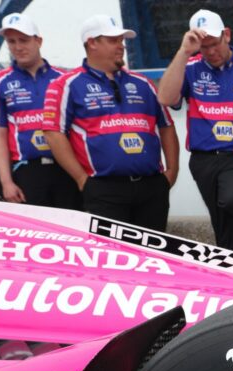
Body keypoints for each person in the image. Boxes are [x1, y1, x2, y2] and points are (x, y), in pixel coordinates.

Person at [43, 15, 178, 231]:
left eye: (121, 40)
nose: (121, 46)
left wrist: (171, 172)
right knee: (114, 259)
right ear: (92, 43)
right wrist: (81, 179)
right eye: (113, 40)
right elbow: (52, 132)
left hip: (152, 186)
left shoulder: (143, 83)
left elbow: (166, 126)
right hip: (103, 189)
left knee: (153, 259)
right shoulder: (66, 84)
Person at [157, 9, 233, 252]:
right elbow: (165, 97)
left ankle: (232, 261)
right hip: (203, 159)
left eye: (214, 44)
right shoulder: (190, 66)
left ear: (227, 35)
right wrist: (184, 52)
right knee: (222, 220)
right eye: (204, 47)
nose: (211, 52)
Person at [0, 14, 80, 210]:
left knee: (72, 234)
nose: (18, 47)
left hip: (67, 168)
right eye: (11, 42)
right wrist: (6, 182)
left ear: (38, 41)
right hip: (27, 171)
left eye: (24, 40)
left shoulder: (65, 78)